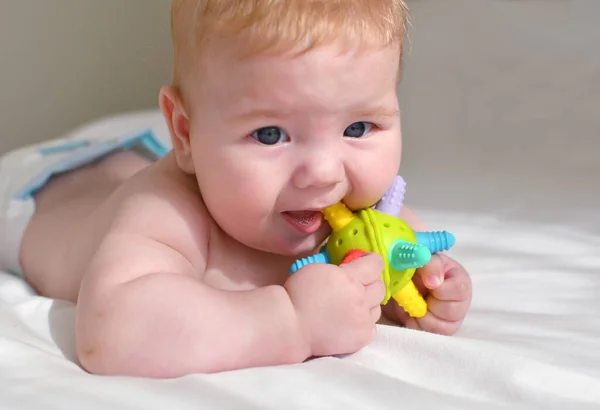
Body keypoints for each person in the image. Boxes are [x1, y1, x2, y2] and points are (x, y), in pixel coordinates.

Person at [0, 0, 472, 378]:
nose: (324, 174)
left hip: (151, 146)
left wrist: (422, 291)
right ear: (184, 134)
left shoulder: (338, 202)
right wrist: (292, 322)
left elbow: (403, 246)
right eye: (271, 134)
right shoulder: (166, 214)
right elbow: (112, 332)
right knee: (122, 179)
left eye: (359, 127)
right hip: (39, 191)